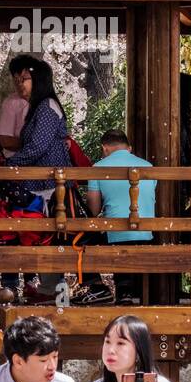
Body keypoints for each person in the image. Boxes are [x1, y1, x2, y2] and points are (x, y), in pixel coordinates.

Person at [3, 58, 71, 302]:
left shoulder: (47, 106)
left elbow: (38, 146)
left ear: (39, 80)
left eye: (25, 79)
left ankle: (52, 290)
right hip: (41, 184)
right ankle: (48, 289)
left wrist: (11, 163)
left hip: (50, 186)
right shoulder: (38, 107)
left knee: (49, 236)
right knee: (44, 236)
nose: (20, 84)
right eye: (17, 79)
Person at [84, 129, 156, 304]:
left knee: (82, 238)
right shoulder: (149, 166)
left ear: (105, 148)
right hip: (147, 235)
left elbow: (93, 210)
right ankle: (129, 292)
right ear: (129, 148)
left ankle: (98, 288)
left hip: (116, 235)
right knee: (126, 232)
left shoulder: (98, 168)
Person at [0, 59, 31, 158]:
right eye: (16, 80)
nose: (20, 84)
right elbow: (5, 141)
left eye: (23, 79)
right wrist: (34, 144)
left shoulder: (45, 101)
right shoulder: (12, 103)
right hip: (19, 160)